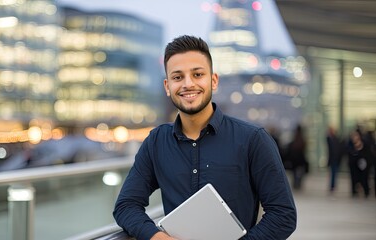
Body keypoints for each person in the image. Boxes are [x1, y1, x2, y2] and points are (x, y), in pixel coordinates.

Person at [113, 35, 297, 240]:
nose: (188, 84)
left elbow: (283, 214)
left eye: (198, 74)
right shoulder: (156, 142)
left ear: (213, 80)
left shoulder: (253, 139)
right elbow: (126, 205)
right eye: (177, 77)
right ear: (167, 86)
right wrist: (157, 237)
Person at [347, 129, 372, 198]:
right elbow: (349, 153)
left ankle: (366, 191)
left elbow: (367, 154)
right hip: (353, 165)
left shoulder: (364, 143)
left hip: (363, 164)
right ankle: (354, 191)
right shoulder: (350, 144)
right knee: (354, 178)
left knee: (364, 178)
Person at [285, 124, 308, 190]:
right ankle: (298, 184)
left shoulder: (294, 139)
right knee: (300, 173)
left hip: (294, 160)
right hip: (300, 160)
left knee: (294, 173)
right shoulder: (302, 140)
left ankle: (296, 184)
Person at [326, 126, 343, 193]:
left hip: (335, 159)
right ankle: (332, 186)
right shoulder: (330, 139)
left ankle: (332, 186)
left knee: (334, 174)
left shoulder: (334, 139)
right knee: (333, 173)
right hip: (333, 159)